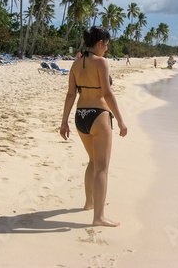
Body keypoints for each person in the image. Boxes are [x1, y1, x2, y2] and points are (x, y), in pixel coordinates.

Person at [60, 26, 127, 227]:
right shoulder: (101, 63)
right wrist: (121, 120)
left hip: (81, 117)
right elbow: (107, 93)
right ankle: (98, 217)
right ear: (99, 43)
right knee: (102, 168)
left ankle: (89, 202)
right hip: (98, 116)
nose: (106, 49)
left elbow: (71, 94)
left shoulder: (76, 64)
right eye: (106, 45)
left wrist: (64, 122)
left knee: (92, 161)